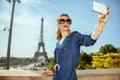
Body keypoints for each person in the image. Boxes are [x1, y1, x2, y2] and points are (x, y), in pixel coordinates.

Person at [42, 3, 110, 80]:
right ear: (57, 24)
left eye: (68, 20)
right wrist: (53, 71)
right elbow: (59, 63)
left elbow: (90, 40)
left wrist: (100, 24)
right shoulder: (58, 43)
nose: (65, 22)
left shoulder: (75, 36)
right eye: (62, 21)